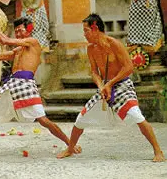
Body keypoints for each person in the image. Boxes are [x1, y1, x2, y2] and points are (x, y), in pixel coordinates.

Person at [57, 13, 165, 162]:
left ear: (95, 28)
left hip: (121, 84)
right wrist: (102, 85)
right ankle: (70, 148)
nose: (84, 34)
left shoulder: (115, 44)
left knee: (136, 115)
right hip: (104, 86)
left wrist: (109, 83)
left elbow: (129, 67)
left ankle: (158, 151)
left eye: (86, 30)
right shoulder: (91, 49)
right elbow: (94, 72)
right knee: (80, 119)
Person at [0, 16, 81, 156]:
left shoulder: (32, 42)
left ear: (29, 30)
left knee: (43, 119)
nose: (18, 33)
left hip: (25, 85)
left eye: (20, 30)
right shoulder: (18, 50)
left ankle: (70, 144)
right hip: (11, 85)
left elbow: (5, 40)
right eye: (16, 31)